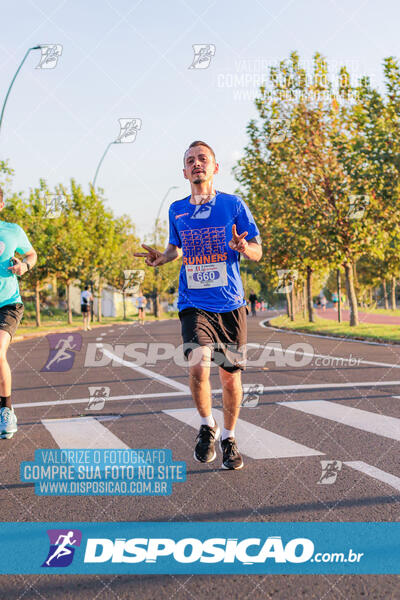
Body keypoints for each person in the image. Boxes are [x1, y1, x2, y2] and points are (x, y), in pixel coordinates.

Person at [135, 141, 262, 470]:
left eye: (202, 159)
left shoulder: (233, 205)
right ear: (184, 171)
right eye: (190, 161)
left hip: (230, 303)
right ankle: (207, 425)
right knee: (197, 365)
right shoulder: (177, 209)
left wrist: (243, 247)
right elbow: (175, 248)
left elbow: (258, 251)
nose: (196, 164)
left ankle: (229, 436)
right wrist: (162, 258)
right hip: (194, 303)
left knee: (230, 378)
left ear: (215, 167)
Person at [0, 187, 37, 439]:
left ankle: (6, 410)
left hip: (8, 303)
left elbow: (32, 254)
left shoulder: (13, 230)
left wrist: (24, 265)